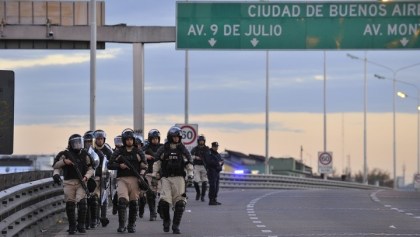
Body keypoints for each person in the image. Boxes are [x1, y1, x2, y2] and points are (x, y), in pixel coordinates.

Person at [152, 126, 193, 234]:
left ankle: (176, 226)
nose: (176, 139)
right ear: (170, 137)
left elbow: (189, 162)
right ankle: (166, 221)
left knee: (180, 203)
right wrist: (154, 174)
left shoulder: (182, 149)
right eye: (174, 137)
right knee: (165, 201)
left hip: (179, 179)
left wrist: (190, 174)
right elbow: (157, 162)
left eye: (178, 137)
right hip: (166, 178)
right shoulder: (164, 149)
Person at [53, 134, 95, 234]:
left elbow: (91, 169)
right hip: (68, 182)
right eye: (75, 143)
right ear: (70, 144)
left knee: (82, 203)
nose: (77, 144)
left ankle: (81, 225)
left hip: (82, 182)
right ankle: (72, 226)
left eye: (79, 142)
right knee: (70, 204)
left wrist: (86, 177)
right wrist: (64, 161)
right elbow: (55, 165)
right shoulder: (64, 154)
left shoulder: (85, 154)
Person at [107, 128, 148, 233]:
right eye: (127, 139)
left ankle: (131, 225)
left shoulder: (138, 152)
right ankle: (121, 225)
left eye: (131, 139)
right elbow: (109, 164)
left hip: (135, 179)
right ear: (124, 140)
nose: (129, 141)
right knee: (122, 201)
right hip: (122, 179)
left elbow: (144, 165)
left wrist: (141, 176)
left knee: (134, 203)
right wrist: (119, 165)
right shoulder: (119, 151)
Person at [92, 129, 114, 227]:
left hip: (105, 178)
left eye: (101, 139)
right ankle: (95, 218)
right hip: (95, 177)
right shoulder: (91, 150)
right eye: (98, 139)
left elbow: (112, 163)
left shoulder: (108, 151)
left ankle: (103, 217)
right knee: (95, 197)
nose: (100, 140)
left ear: (104, 139)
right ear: (95, 139)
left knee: (104, 197)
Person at [141, 129, 163, 221]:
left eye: (156, 138)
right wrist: (146, 156)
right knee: (151, 194)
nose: (155, 140)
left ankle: (161, 209)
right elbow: (139, 153)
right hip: (149, 172)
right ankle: (152, 212)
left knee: (163, 195)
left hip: (161, 173)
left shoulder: (162, 147)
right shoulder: (146, 147)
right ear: (150, 139)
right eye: (153, 138)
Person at [190, 134, 209, 202]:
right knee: (196, 180)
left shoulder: (207, 149)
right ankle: (198, 193)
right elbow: (190, 155)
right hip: (196, 166)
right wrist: (195, 157)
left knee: (205, 181)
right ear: (198, 141)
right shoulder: (195, 149)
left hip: (204, 166)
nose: (201, 142)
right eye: (200, 141)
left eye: (202, 141)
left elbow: (209, 157)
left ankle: (202, 196)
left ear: (204, 141)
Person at [205, 141, 224, 206]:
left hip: (217, 172)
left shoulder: (217, 154)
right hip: (211, 171)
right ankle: (211, 200)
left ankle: (214, 199)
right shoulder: (209, 153)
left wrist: (221, 162)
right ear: (212, 146)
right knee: (212, 186)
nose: (216, 148)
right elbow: (209, 162)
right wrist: (218, 163)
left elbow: (221, 160)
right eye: (215, 146)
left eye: (217, 146)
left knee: (216, 187)